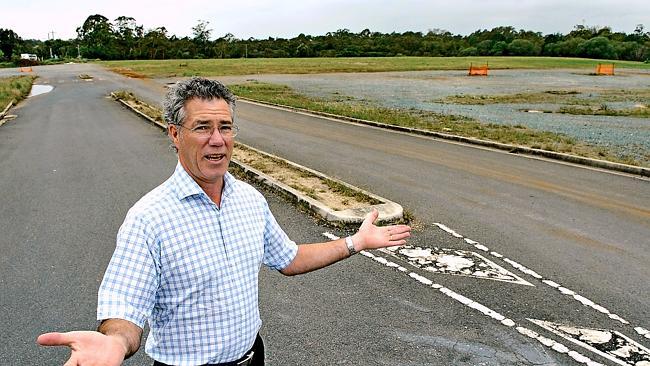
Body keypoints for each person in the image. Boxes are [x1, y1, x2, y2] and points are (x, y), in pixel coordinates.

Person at [37, 77, 411, 366]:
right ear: (174, 134)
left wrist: (356, 242)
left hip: (252, 358)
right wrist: (115, 343)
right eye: (202, 127)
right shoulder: (149, 218)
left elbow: (290, 258)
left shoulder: (249, 199)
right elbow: (125, 306)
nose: (217, 140)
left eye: (225, 127)